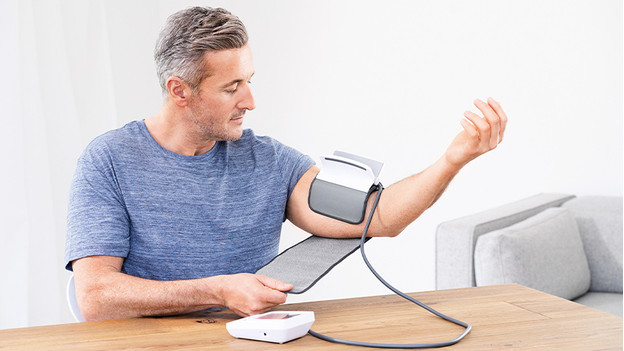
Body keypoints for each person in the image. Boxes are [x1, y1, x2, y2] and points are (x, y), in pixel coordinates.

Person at [65, 6, 508, 322]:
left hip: (250, 339)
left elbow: (382, 217)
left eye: (250, 81)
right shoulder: (109, 160)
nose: (251, 101)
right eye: (232, 87)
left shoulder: (268, 160)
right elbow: (96, 297)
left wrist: (455, 158)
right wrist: (217, 289)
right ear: (180, 91)